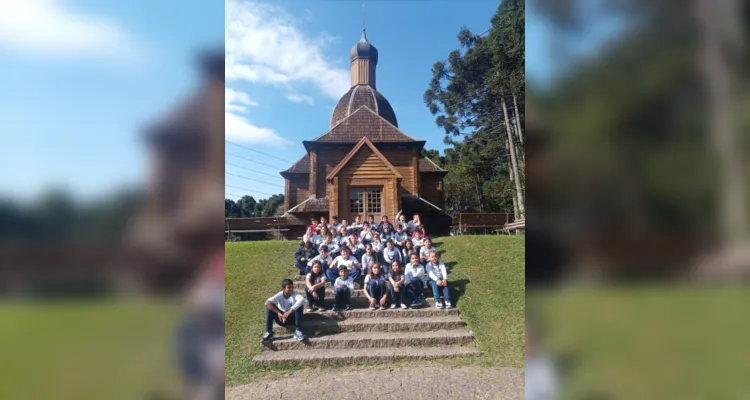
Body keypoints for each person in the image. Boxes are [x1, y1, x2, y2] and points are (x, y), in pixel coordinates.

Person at [261, 279, 306, 343]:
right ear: (283, 288)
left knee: (299, 305)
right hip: (281, 319)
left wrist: (289, 312)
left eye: (292, 287)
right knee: (269, 307)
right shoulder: (280, 295)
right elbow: (267, 303)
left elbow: (301, 299)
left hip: (293, 319)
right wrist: (279, 313)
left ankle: (298, 330)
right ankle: (269, 332)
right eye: (288, 287)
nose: (291, 289)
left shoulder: (295, 294)